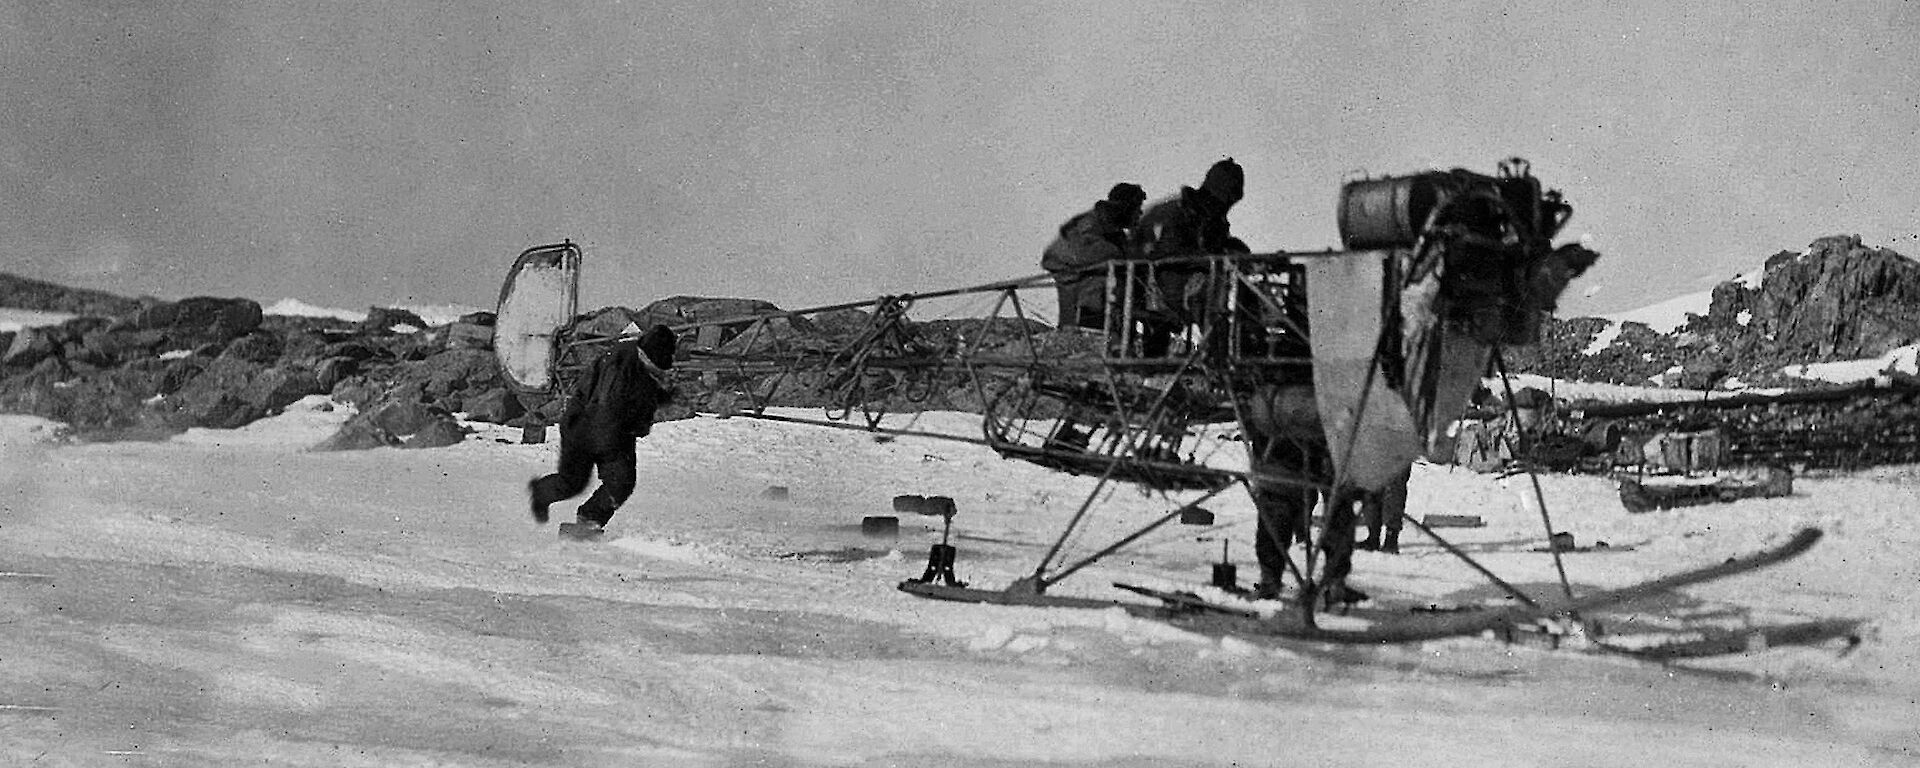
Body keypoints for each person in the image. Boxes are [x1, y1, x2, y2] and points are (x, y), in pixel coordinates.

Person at [528, 323, 677, 538]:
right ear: (648, 356)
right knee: (573, 483)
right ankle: (542, 493)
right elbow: (607, 407)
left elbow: (642, 393)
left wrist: (664, 396)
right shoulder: (620, 369)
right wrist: (633, 431)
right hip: (587, 429)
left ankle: (588, 522)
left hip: (610, 429)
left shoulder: (637, 362)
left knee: (620, 482)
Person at [1131, 158, 1244, 356]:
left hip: (1188, 282)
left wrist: (1236, 249)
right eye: (1226, 201)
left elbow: (1215, 247)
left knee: (1225, 295)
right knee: (1210, 296)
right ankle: (1216, 360)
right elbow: (1169, 252)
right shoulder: (1175, 213)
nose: (1227, 207)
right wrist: (1213, 257)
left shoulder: (1212, 219)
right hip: (1158, 282)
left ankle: (1225, 358)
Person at [1041, 182, 1148, 330]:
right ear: (1126, 209)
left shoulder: (1112, 228)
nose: (1140, 214)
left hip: (1082, 270)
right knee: (1099, 292)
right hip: (1070, 268)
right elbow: (1087, 252)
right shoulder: (1090, 224)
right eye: (1137, 209)